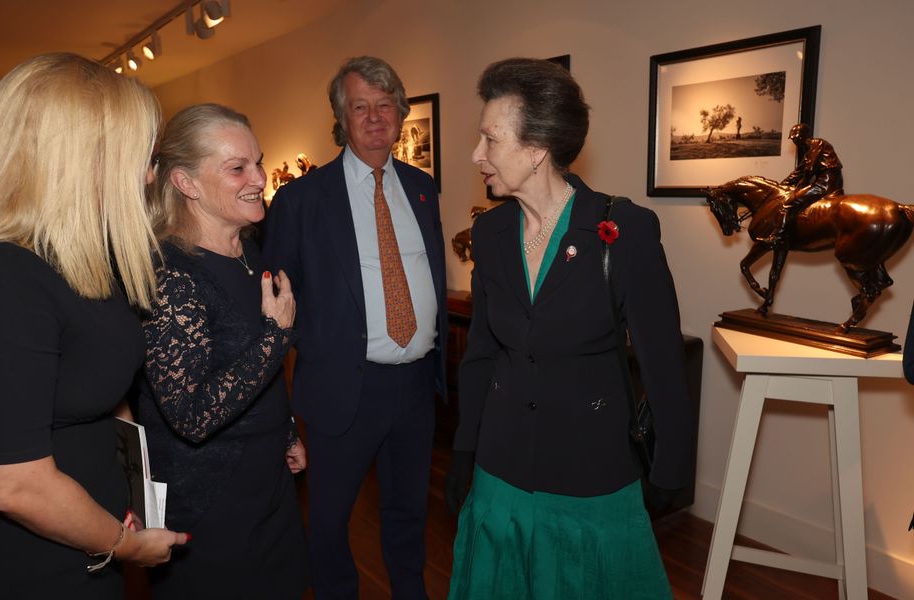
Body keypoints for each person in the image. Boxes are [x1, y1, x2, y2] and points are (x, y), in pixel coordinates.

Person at [0, 53, 187, 599]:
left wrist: (131, 496)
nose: (151, 176)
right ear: (83, 161)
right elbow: (15, 483)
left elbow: (98, 386)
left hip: (85, 542)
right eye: (143, 158)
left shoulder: (76, 259)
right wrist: (126, 546)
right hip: (16, 567)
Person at [444, 58, 693, 599]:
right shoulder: (488, 236)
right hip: (500, 474)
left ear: (537, 150)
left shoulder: (624, 230)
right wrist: (465, 450)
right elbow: (482, 352)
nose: (476, 155)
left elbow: (662, 360)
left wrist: (671, 469)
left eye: (489, 139)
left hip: (591, 475)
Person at [264, 56, 447, 599]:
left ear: (399, 114)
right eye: (359, 106)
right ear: (340, 118)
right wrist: (282, 412)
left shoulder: (421, 188)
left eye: (384, 105)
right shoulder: (301, 200)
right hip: (342, 389)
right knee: (328, 522)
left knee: (409, 514)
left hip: (415, 389)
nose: (373, 117)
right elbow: (273, 310)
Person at [138, 103, 309, 599]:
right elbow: (191, 414)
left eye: (258, 161)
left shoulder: (247, 251)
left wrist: (286, 431)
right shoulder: (171, 276)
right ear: (186, 184)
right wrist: (276, 335)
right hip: (212, 504)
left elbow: (251, 370)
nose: (259, 177)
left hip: (269, 486)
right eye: (238, 168)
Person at [758, 123, 844, 246]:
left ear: (801, 137)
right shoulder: (809, 151)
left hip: (826, 182)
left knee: (788, 203)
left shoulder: (816, 143)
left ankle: (778, 235)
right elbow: (798, 172)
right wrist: (779, 187)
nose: (795, 142)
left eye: (795, 139)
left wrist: (800, 185)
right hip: (825, 180)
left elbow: (809, 170)